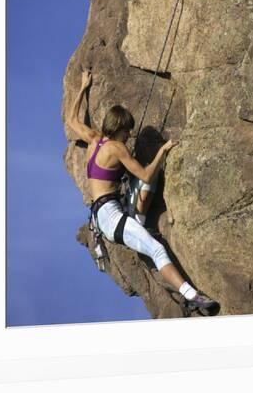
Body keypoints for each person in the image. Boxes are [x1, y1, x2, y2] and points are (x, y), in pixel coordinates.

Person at [67, 69, 219, 314]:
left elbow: (72, 120)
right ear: (119, 128)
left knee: (145, 187)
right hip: (110, 217)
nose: (128, 136)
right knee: (156, 248)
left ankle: (137, 219)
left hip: (107, 212)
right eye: (127, 131)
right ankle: (192, 296)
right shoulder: (117, 148)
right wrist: (164, 150)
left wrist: (83, 88)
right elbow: (146, 174)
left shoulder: (94, 139)